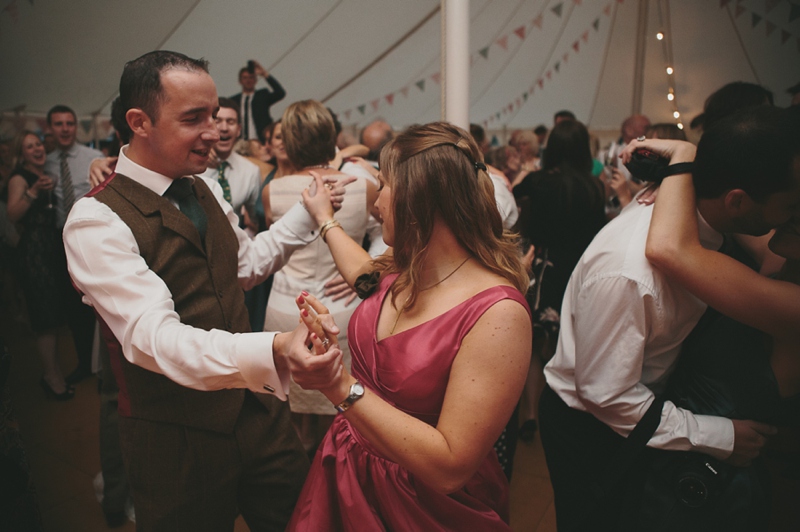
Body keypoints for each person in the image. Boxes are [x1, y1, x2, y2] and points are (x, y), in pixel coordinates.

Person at [62, 50, 348, 531]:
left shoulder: (205, 188)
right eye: (194, 118)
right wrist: (275, 348)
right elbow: (154, 338)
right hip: (176, 438)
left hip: (260, 416)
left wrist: (310, 211)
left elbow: (244, 265)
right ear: (140, 122)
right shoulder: (95, 219)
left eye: (214, 115)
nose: (214, 132)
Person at [538, 105, 799, 532]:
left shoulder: (703, 221)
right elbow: (605, 394)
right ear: (737, 201)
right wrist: (720, 436)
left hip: (644, 412)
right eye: (790, 205)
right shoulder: (631, 272)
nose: (794, 215)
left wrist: (684, 165)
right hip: (595, 426)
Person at [286, 121, 532, 530]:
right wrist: (324, 219)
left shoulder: (498, 314)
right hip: (346, 469)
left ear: (418, 198)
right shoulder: (401, 267)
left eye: (383, 186)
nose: (376, 202)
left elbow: (450, 467)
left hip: (422, 505)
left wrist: (339, 385)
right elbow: (360, 272)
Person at [635, 112, 800, 530]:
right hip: (693, 449)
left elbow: (669, 248)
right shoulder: (783, 259)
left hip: (723, 473)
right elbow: (730, 212)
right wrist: (697, 181)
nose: (790, 213)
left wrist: (684, 156)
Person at [262, 100, 378, 456]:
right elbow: (387, 235)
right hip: (342, 311)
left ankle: (298, 484)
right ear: (331, 138)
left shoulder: (273, 191)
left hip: (287, 311)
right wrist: (369, 267)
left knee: (291, 421)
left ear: (289, 142)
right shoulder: (364, 186)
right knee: (343, 412)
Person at [512, 120, 606, 445]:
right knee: (568, 342)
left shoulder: (538, 181)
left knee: (534, 342)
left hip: (544, 266)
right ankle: (565, 410)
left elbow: (514, 196)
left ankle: (530, 414)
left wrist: (526, 171)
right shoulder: (594, 187)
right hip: (580, 269)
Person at [5, 131, 73, 400]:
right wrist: (33, 192)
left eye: (38, 144)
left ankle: (55, 373)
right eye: (29, 146)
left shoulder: (44, 174)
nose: (36, 149)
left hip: (48, 250)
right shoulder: (20, 178)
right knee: (45, 318)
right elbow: (12, 214)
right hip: (34, 254)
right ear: (21, 154)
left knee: (52, 316)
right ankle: (52, 378)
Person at [43, 104, 103, 385]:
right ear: (50, 129)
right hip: (59, 241)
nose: (65, 129)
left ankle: (102, 365)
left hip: (90, 239)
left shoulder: (94, 158)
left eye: (69, 123)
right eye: (59, 124)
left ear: (76, 127)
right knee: (73, 305)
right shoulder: (44, 162)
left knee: (98, 302)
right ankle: (84, 364)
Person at [199, 97, 261, 227]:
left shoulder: (250, 171)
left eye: (230, 122)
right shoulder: (190, 165)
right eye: (218, 121)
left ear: (238, 130)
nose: (224, 128)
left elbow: (255, 218)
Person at [230, 60, 286, 143]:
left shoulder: (262, 95)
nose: (248, 80)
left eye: (251, 77)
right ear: (240, 81)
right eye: (245, 78)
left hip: (261, 141)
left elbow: (280, 93)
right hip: (240, 142)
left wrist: (264, 74)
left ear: (256, 80)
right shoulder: (234, 100)